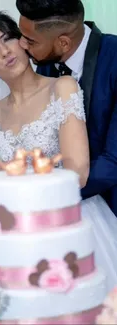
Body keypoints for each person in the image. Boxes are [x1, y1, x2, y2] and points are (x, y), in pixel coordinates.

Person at [0, 10, 117, 292]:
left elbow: (78, 171)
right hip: (22, 232)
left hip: (76, 217)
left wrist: (32, 204)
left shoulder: (63, 86)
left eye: (8, 39)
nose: (4, 52)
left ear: (24, 41)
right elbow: (2, 186)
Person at [16, 0, 117, 218]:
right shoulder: (44, 65)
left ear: (63, 43)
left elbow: (114, 161)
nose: (22, 45)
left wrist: (48, 196)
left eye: (30, 40)